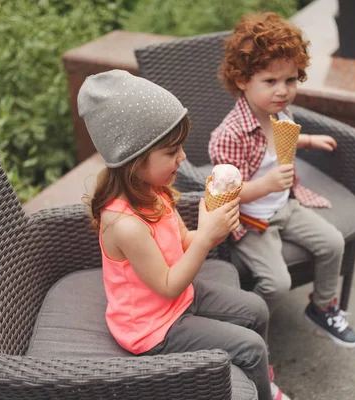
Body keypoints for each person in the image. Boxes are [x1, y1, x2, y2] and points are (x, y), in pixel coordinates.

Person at [78, 70, 291, 400]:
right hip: (152, 328)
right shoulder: (124, 224)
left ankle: (260, 372)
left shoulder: (156, 191)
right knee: (249, 347)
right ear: (134, 161)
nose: (184, 157)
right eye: (172, 151)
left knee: (257, 309)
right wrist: (207, 237)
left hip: (179, 298)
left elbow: (184, 242)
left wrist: (211, 227)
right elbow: (167, 284)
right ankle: (263, 389)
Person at [209, 12, 355, 348]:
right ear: (242, 80)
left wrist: (307, 141)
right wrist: (265, 186)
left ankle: (322, 306)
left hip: (285, 206)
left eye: (290, 80)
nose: (283, 91)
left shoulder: (280, 113)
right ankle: (247, 332)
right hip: (251, 222)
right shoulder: (229, 135)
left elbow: (279, 142)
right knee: (276, 283)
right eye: (271, 81)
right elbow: (223, 196)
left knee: (334, 242)